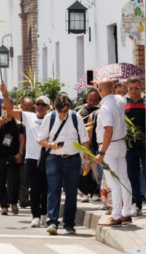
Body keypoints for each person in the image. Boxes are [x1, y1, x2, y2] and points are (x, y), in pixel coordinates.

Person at [38, 94, 90, 235]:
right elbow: (40, 140)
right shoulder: (50, 118)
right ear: (55, 108)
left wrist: (87, 161)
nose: (62, 114)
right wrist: (51, 145)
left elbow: (85, 140)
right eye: (60, 111)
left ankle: (69, 223)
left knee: (71, 192)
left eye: (65, 111)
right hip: (54, 159)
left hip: (73, 159)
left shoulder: (75, 117)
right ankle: (52, 222)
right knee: (54, 189)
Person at [1, 83, 50, 227]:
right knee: (34, 188)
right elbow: (9, 110)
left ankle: (44, 213)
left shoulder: (53, 118)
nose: (40, 106)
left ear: (48, 107)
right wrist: (5, 94)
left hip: (48, 159)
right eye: (38, 104)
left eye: (43, 104)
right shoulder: (28, 116)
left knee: (46, 188)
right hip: (31, 159)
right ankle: (35, 216)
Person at [124, 75, 146, 217]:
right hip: (129, 145)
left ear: (141, 87)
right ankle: (136, 203)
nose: (134, 91)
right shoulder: (122, 102)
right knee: (132, 175)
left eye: (136, 88)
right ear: (127, 88)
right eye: (131, 88)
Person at [0, 106, 25, 215]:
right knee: (0, 182)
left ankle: (14, 202)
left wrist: (20, 154)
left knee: (15, 180)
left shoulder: (18, 123)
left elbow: (22, 140)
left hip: (13, 155)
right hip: (0, 155)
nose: (5, 110)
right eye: (3, 107)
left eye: (7, 107)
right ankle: (4, 205)